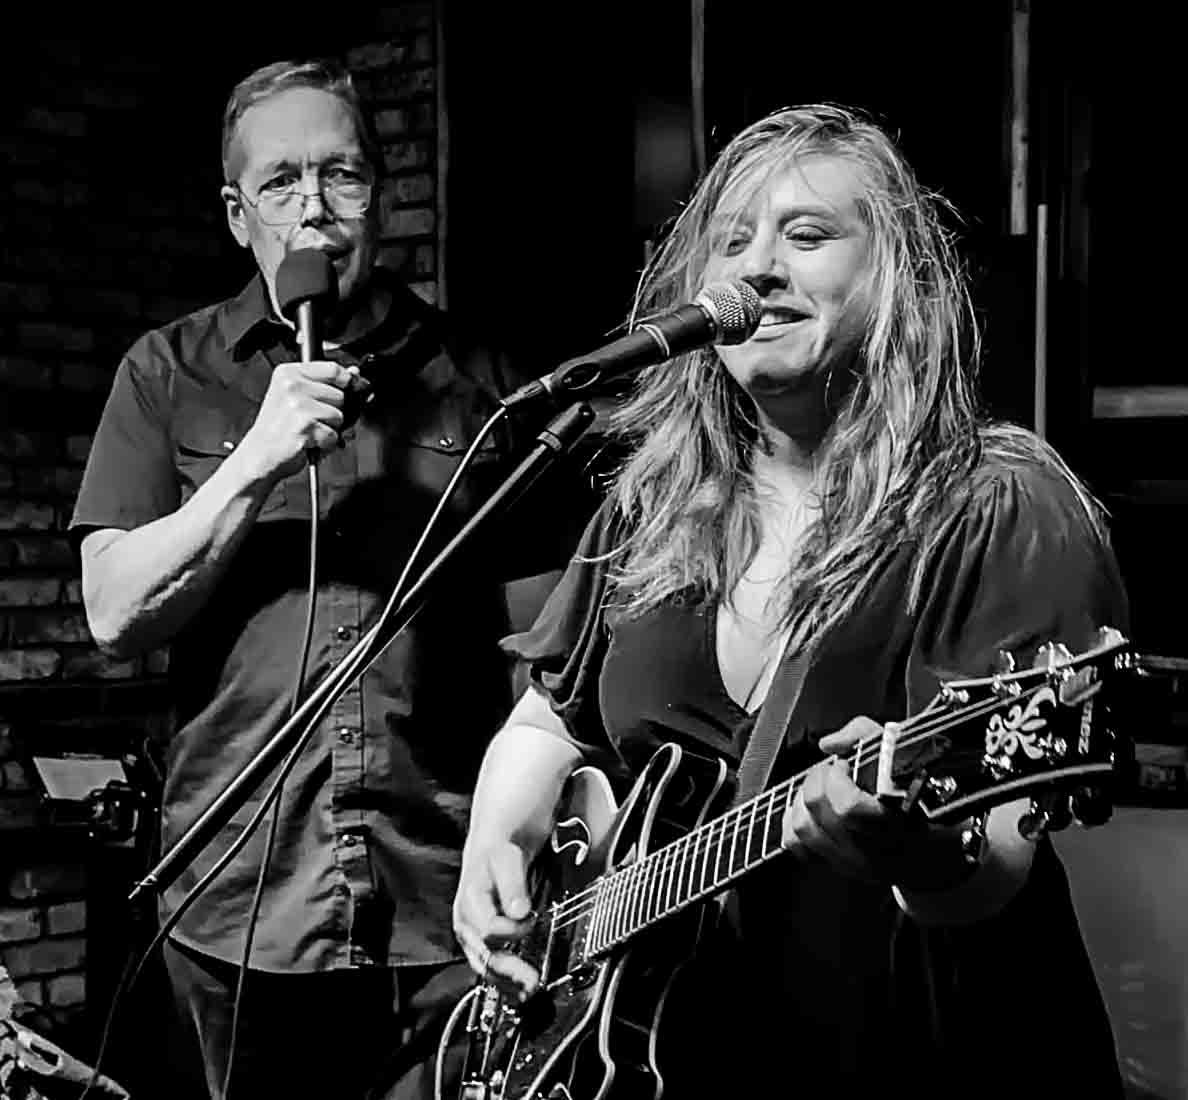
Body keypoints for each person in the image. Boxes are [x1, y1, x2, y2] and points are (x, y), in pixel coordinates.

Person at [451, 103, 1129, 1097]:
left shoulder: (994, 503)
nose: (758, 267)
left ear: (897, 277)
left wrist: (917, 854)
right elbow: (550, 712)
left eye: (807, 235)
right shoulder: (657, 503)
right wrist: (497, 837)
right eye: (733, 242)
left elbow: (998, 860)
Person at [70, 58, 584, 1100]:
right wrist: (253, 464)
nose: (314, 206)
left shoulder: (482, 382)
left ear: (378, 196)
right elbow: (114, 613)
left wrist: (544, 836)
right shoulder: (168, 373)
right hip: (239, 899)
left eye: (341, 175)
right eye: (280, 182)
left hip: (443, 895)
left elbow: (552, 655)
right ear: (237, 215)